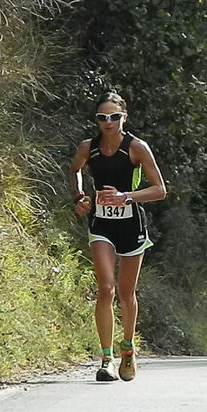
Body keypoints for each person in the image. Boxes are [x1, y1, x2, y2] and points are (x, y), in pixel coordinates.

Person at [69, 92, 166, 381]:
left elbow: (159, 189)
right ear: (96, 120)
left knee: (125, 294)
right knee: (106, 288)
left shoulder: (136, 147)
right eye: (102, 117)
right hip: (101, 224)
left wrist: (126, 196)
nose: (108, 122)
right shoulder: (89, 147)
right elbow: (74, 169)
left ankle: (128, 349)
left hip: (131, 226)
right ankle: (106, 358)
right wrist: (79, 196)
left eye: (114, 116)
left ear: (125, 117)